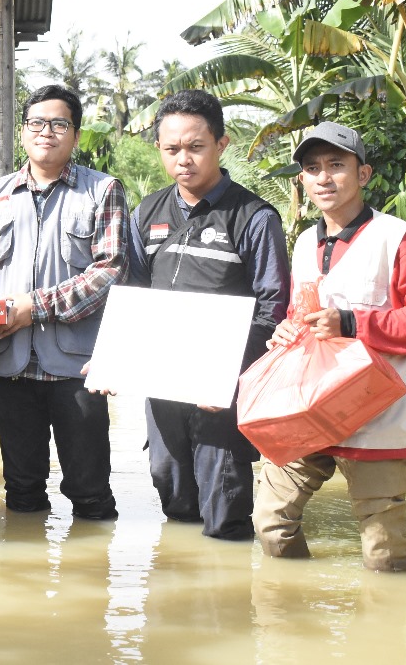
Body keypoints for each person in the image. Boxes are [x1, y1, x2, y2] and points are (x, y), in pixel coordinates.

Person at [254, 121, 406, 571]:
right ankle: (296, 624)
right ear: (301, 181)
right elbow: (299, 313)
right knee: (270, 523)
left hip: (380, 417)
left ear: (363, 175)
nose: (324, 177)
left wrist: (351, 322)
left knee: (382, 553)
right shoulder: (305, 241)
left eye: (337, 165)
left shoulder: (396, 239)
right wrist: (285, 332)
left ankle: (384, 635)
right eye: (312, 168)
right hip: (310, 409)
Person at [125, 90, 289, 540]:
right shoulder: (147, 213)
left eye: (196, 147)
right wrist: (115, 358)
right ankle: (176, 593)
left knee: (224, 502)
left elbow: (273, 307)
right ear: (158, 149)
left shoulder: (254, 217)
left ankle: (229, 595)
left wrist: (229, 373)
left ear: (222, 144)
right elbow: (133, 297)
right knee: (168, 482)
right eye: (172, 149)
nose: (184, 160)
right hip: (162, 379)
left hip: (223, 387)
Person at [0, 84, 129, 519]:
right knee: (21, 488)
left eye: (59, 124)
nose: (47, 132)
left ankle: (92, 577)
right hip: (10, 362)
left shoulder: (103, 190)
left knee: (90, 489)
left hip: (77, 367)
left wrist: (31, 307)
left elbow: (109, 271)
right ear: (23, 132)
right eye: (37, 123)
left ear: (74, 134)